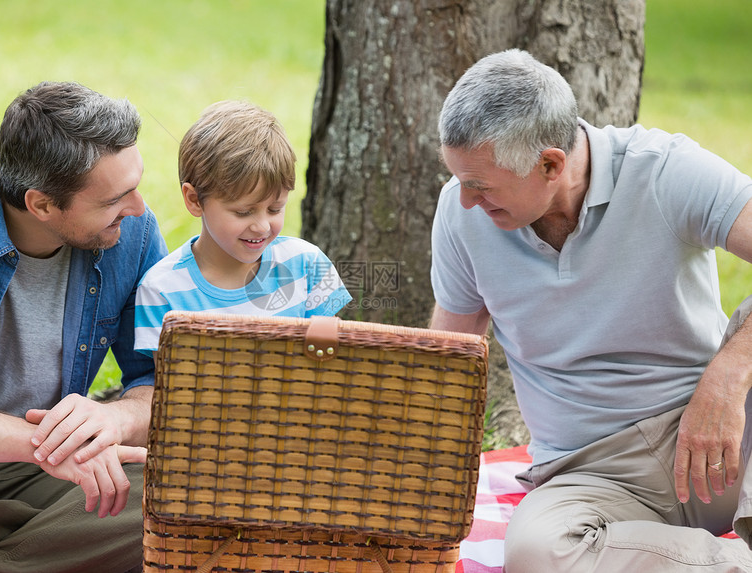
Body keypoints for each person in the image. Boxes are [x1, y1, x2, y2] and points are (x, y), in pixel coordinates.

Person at [430, 48, 752, 572]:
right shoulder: (460, 214)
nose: (464, 201)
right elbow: (451, 358)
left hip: (721, 438)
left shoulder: (666, 172)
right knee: (538, 554)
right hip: (593, 477)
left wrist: (729, 377)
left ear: (551, 164)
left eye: (479, 186)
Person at [0, 81, 168, 573]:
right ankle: (58, 548)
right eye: (114, 199)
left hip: (40, 472)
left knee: (171, 485)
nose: (138, 209)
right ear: (41, 204)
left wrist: (115, 420)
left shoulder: (134, 235)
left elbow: (162, 380)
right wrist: (44, 446)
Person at [134, 100, 350, 356]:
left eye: (275, 209)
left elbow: (328, 363)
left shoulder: (307, 265)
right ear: (194, 200)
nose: (261, 226)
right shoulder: (161, 290)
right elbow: (171, 386)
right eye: (243, 212)